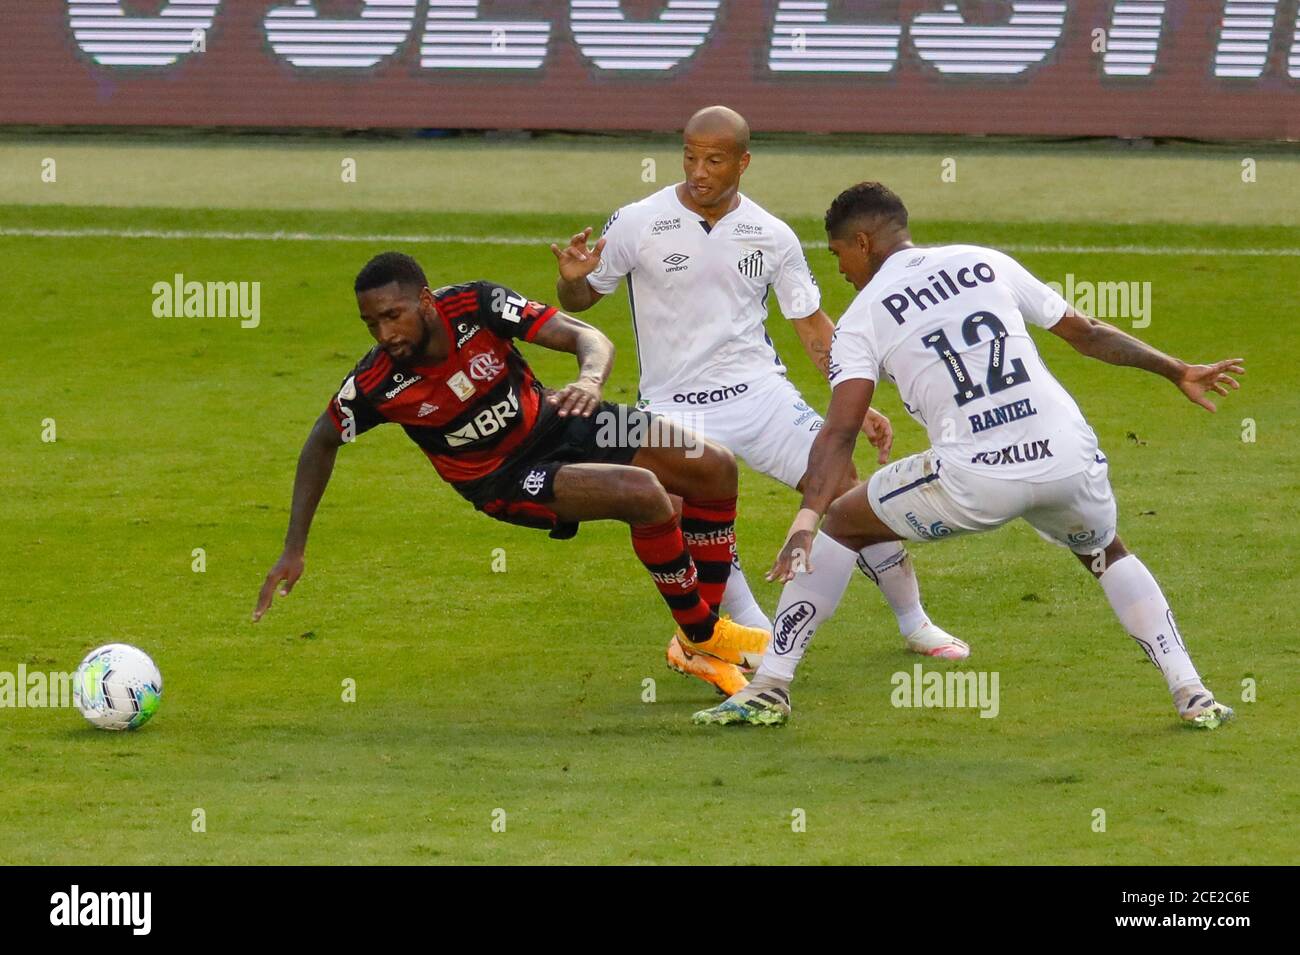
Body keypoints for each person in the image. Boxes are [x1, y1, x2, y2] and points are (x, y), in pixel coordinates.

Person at [695, 182, 1241, 729]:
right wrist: (1177, 369)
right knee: (1106, 553)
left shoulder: (861, 319)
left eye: (839, 254)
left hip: (976, 476)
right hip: (1068, 456)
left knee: (843, 521)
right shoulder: (983, 260)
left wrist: (805, 520)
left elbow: (838, 433)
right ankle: (1192, 692)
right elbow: (1089, 332)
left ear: (862, 242)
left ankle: (771, 686)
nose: (840, 270)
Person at [551, 106, 966, 698]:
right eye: (690, 157)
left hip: (760, 396)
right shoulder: (637, 222)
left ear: (743, 162)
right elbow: (583, 297)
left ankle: (915, 621)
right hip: (674, 407)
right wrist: (572, 278)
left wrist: (851, 400)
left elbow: (813, 326)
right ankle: (753, 633)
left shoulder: (772, 235)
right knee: (695, 515)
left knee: (848, 492)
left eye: (714, 159)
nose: (699, 171)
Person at [252, 252, 770, 675]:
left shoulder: (478, 305)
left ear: (426, 301)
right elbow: (320, 441)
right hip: (503, 478)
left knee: (714, 466)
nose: (385, 334)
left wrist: (589, 382)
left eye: (393, 315)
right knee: (644, 494)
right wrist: (293, 547)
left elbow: (587, 337)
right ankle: (705, 635)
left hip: (560, 417)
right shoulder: (377, 384)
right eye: (372, 323)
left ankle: (698, 633)